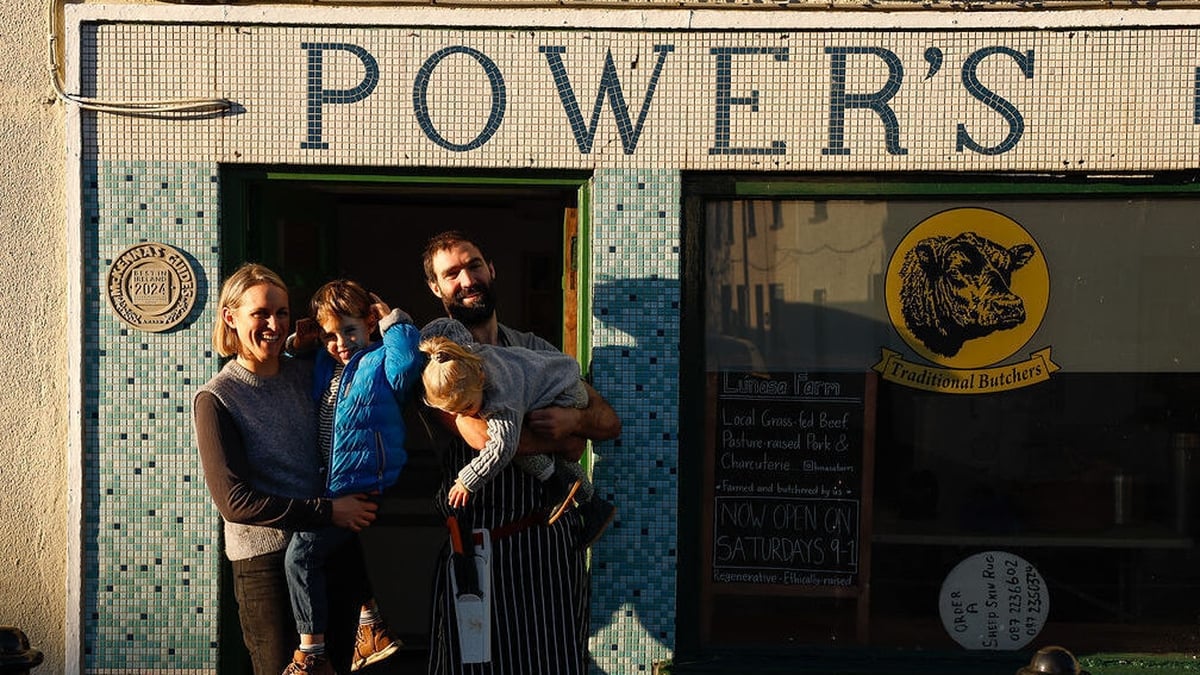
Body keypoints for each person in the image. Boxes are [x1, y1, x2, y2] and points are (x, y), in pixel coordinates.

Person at [419, 230, 622, 674]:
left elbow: (607, 422)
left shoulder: (533, 350)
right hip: (476, 551)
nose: (467, 279)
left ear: (491, 270)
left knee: (553, 664)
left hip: (549, 549)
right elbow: (478, 435)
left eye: (473, 265)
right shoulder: (438, 370)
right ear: (436, 289)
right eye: (451, 274)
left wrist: (575, 421)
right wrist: (565, 440)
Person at [192, 263, 377, 675]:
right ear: (231, 317)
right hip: (266, 566)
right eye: (261, 313)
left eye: (282, 313)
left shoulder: (308, 373)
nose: (274, 324)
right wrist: (330, 511)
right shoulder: (217, 398)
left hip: (331, 551)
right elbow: (235, 502)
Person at [283, 279, 424, 674]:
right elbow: (291, 365)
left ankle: (312, 653)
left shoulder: (380, 362)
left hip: (361, 486)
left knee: (301, 555)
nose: (341, 342)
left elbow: (407, 367)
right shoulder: (327, 364)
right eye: (331, 334)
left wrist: (392, 321)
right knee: (339, 557)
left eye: (349, 330)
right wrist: (300, 343)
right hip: (328, 487)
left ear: (368, 323)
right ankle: (371, 626)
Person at [419, 316, 616, 540]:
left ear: (481, 379)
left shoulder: (502, 399)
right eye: (455, 412)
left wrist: (467, 480)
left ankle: (558, 485)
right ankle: (591, 504)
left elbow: (503, 448)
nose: (464, 415)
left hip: (566, 394)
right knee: (539, 451)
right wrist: (425, 342)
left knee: (517, 447)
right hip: (559, 381)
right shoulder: (465, 353)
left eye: (467, 407)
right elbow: (449, 326)